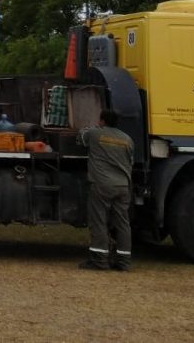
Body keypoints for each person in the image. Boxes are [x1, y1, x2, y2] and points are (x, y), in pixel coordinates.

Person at [78, 108, 133, 271]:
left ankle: (99, 260)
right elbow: (130, 160)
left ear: (102, 121)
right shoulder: (127, 139)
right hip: (123, 185)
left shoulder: (96, 134)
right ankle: (124, 261)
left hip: (102, 184)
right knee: (123, 223)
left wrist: (89, 127)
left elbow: (81, 136)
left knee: (99, 221)